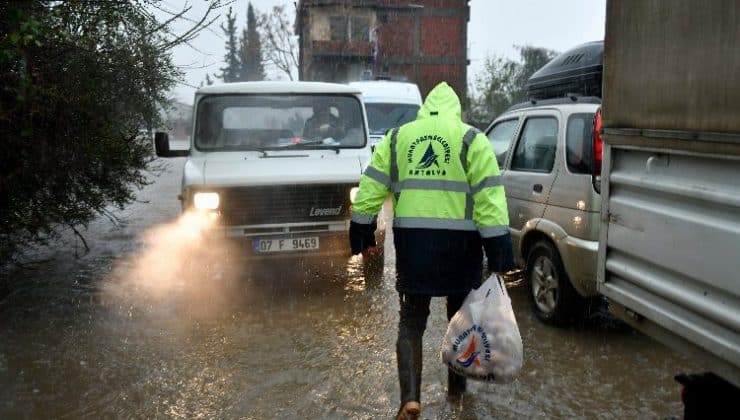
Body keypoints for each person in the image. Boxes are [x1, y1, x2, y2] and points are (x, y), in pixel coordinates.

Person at [349, 81, 514, 420]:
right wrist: (499, 254)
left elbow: (371, 186)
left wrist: (361, 231)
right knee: (461, 322)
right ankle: (457, 397)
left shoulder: (397, 138)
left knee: (411, 321)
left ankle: (410, 400)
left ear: (425, 108)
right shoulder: (472, 139)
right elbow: (490, 200)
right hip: (461, 248)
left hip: (414, 247)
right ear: (457, 110)